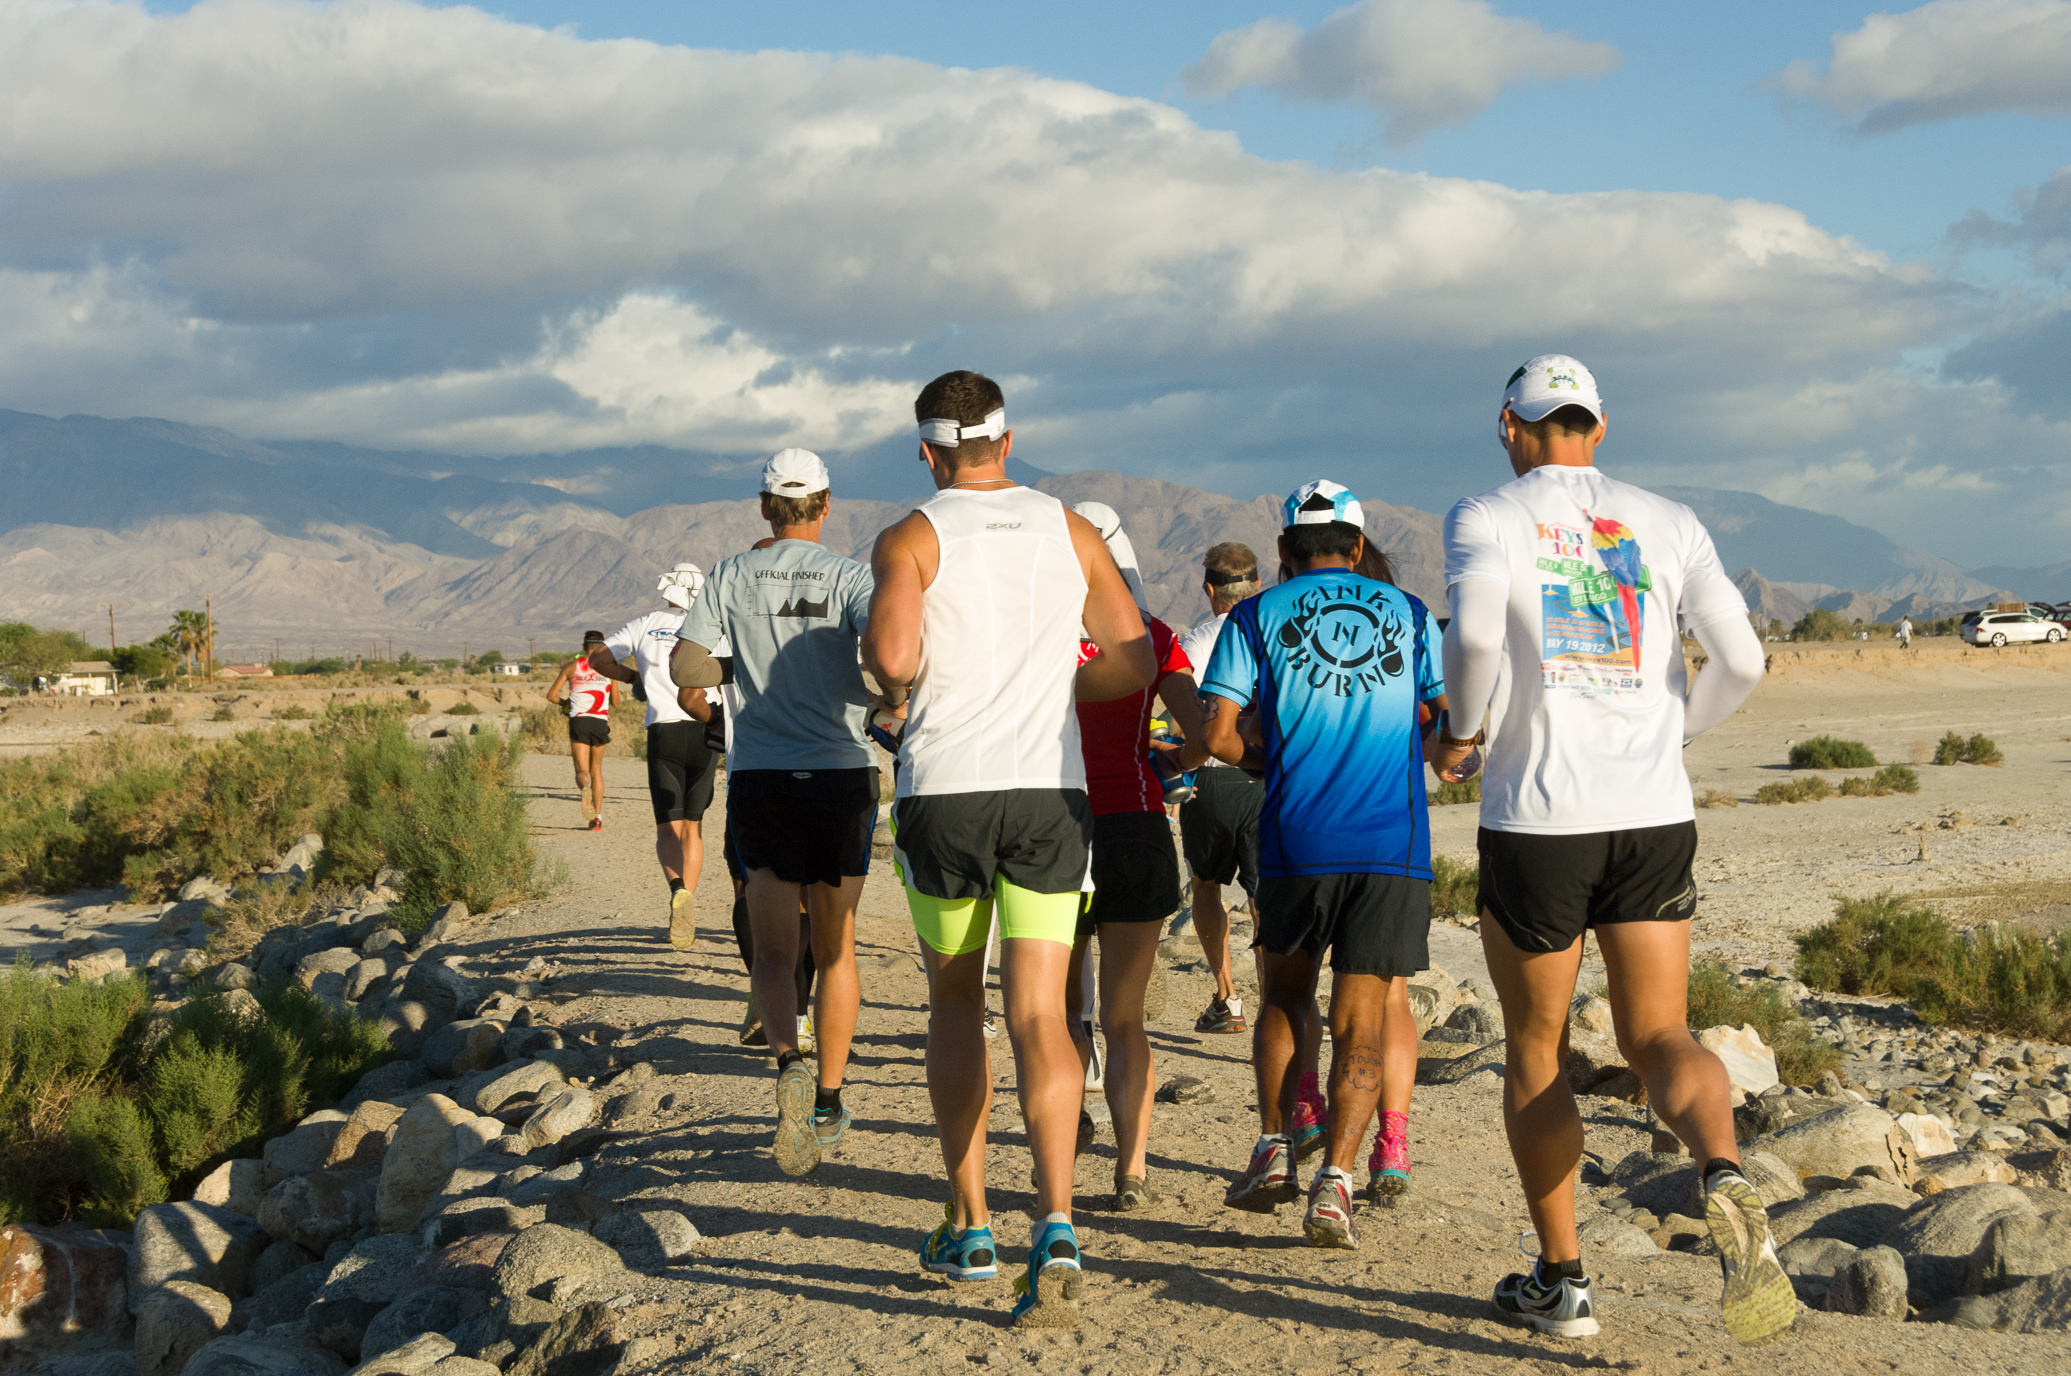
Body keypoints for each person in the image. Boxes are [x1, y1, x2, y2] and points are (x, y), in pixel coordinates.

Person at [1437, 354, 1781, 1344]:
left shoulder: (1487, 513)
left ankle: (1564, 1281)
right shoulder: (1669, 520)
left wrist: (1465, 729)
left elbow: (1470, 641)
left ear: (1511, 424)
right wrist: (1674, 735)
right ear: (1599, 424)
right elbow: (1745, 659)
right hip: (1650, 812)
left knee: (1537, 1051)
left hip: (1540, 815)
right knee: (1660, 1036)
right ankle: (1719, 1167)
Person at [863, 370, 1153, 1327]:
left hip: (944, 788)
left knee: (953, 1001)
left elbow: (896, 662)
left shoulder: (909, 536)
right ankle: (1058, 1218)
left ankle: (972, 1223)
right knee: (1042, 1012)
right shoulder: (1067, 528)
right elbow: (1132, 656)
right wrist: (1055, 696)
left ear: (926, 448)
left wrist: (888, 676)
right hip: (1047, 794)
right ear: (1007, 437)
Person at [1201, 480, 1445, 1251]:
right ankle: (1337, 1182)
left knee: (1282, 999)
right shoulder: (1407, 614)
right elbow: (1443, 717)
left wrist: (1268, 763)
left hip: (1297, 840)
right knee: (1361, 1025)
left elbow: (1215, 734)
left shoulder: (1252, 615)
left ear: (1282, 551)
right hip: (1389, 847)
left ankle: (1274, 1147)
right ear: (1359, 543)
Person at [671, 449, 876, 1177]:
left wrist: (742, 670)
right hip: (841, 776)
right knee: (838, 948)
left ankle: (787, 1058)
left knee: (775, 950)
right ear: (825, 505)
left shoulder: (729, 574)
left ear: (764, 508)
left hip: (761, 776)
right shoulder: (853, 577)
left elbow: (686, 669)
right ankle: (826, 1095)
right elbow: (889, 659)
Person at [1066, 501, 1208, 1213]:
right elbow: (1204, 725)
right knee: (1127, 1019)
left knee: (1057, 1011)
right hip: (1136, 825)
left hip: (1055, 828)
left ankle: (1064, 1136)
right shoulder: (1153, 637)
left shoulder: (1038, 636)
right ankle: (1132, 1169)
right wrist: (1179, 759)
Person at [590, 564, 717, 948]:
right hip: (704, 726)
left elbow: (598, 658)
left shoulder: (646, 623)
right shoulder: (714, 625)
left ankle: (676, 888)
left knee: (667, 828)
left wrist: (634, 678)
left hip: (663, 732)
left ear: (667, 590)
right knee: (694, 828)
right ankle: (689, 896)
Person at [543, 631, 620, 831]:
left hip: (578, 720)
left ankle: (584, 789)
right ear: (603, 647)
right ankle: (598, 818)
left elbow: (551, 696)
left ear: (583, 646)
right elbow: (616, 702)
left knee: (582, 771)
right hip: (600, 721)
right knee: (597, 771)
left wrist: (565, 703)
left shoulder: (571, 667)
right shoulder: (610, 669)